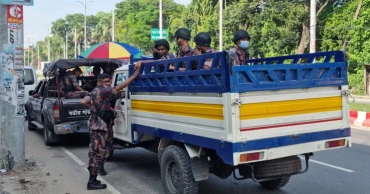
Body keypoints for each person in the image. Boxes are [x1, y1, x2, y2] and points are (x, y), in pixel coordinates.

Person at [81, 63, 141, 190]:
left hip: (98, 126)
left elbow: (119, 95)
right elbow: (119, 87)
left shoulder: (98, 92)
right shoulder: (101, 91)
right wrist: (134, 75)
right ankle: (92, 181)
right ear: (99, 81)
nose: (108, 83)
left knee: (95, 153)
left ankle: (94, 176)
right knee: (98, 154)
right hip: (99, 128)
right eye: (105, 81)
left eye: (109, 81)